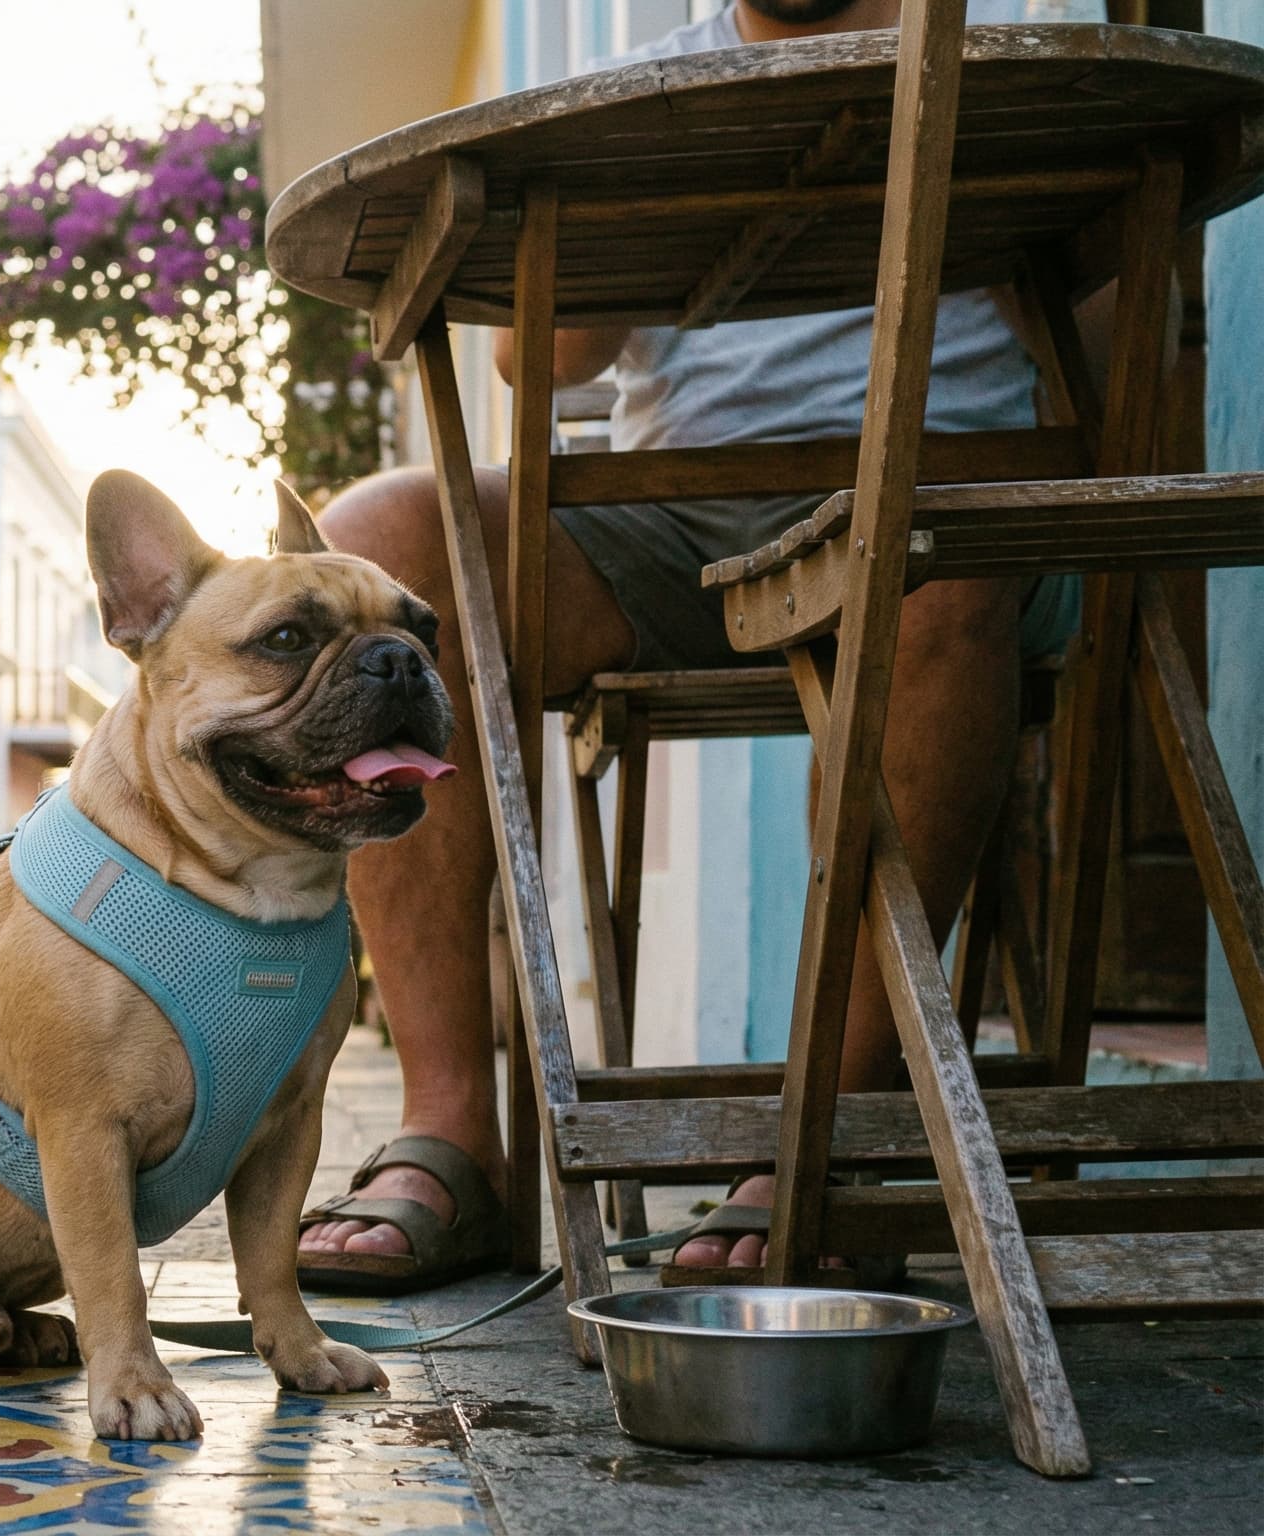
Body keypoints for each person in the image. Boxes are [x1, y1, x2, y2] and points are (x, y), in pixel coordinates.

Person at [294, 0, 1082, 1289]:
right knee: (385, 539)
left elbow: (1109, 324)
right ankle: (453, 1129)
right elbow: (533, 363)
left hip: (952, 497)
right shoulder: (637, 97)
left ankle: (820, 1137)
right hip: (680, 525)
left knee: (928, 551)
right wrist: (636, 223)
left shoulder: (1009, 47)